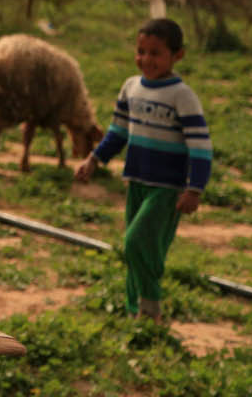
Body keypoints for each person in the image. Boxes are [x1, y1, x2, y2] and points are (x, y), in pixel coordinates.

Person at [74, 18, 212, 321]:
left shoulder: (182, 96)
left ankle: (150, 309)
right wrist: (94, 159)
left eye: (155, 53)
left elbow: (200, 147)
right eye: (140, 51)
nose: (146, 60)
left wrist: (194, 189)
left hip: (167, 187)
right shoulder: (131, 87)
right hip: (136, 180)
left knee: (136, 243)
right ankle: (133, 310)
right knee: (141, 250)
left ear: (178, 55)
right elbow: (117, 132)